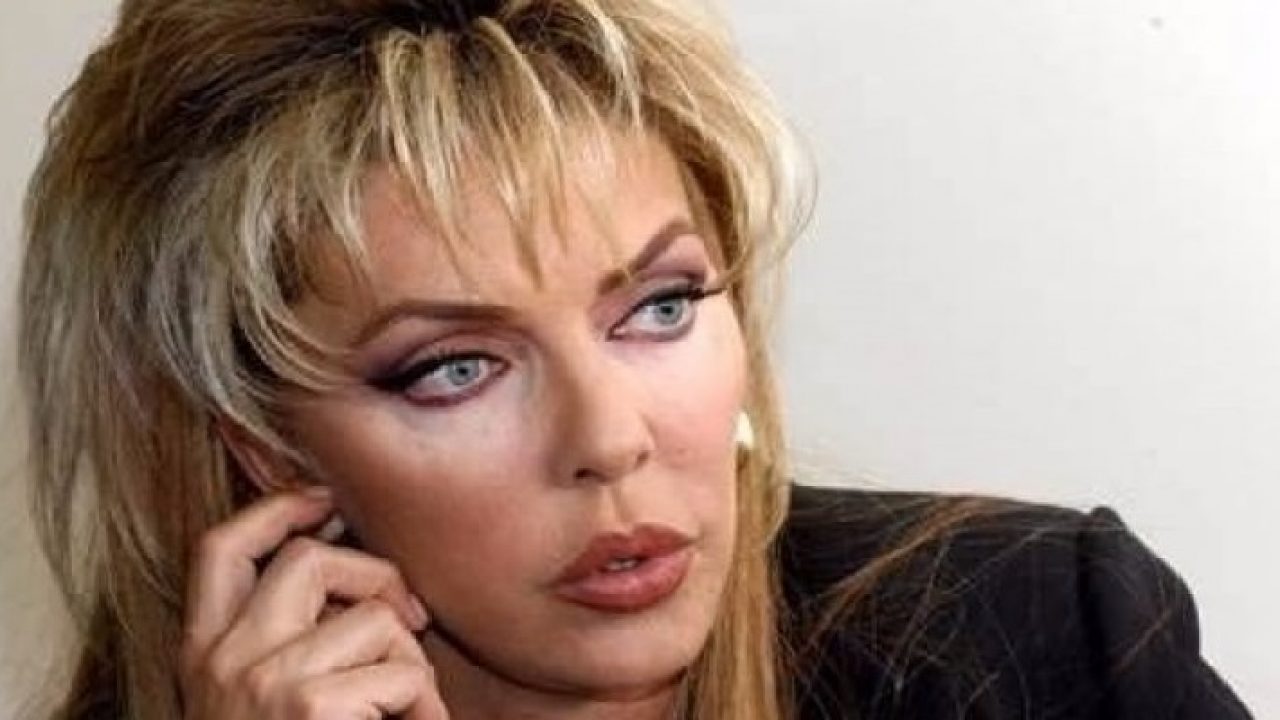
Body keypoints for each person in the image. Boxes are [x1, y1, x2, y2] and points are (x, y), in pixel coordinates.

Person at [16, 0, 1252, 718]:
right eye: (455, 368)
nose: (610, 440)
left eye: (657, 308)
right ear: (267, 449)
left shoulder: (1045, 644)